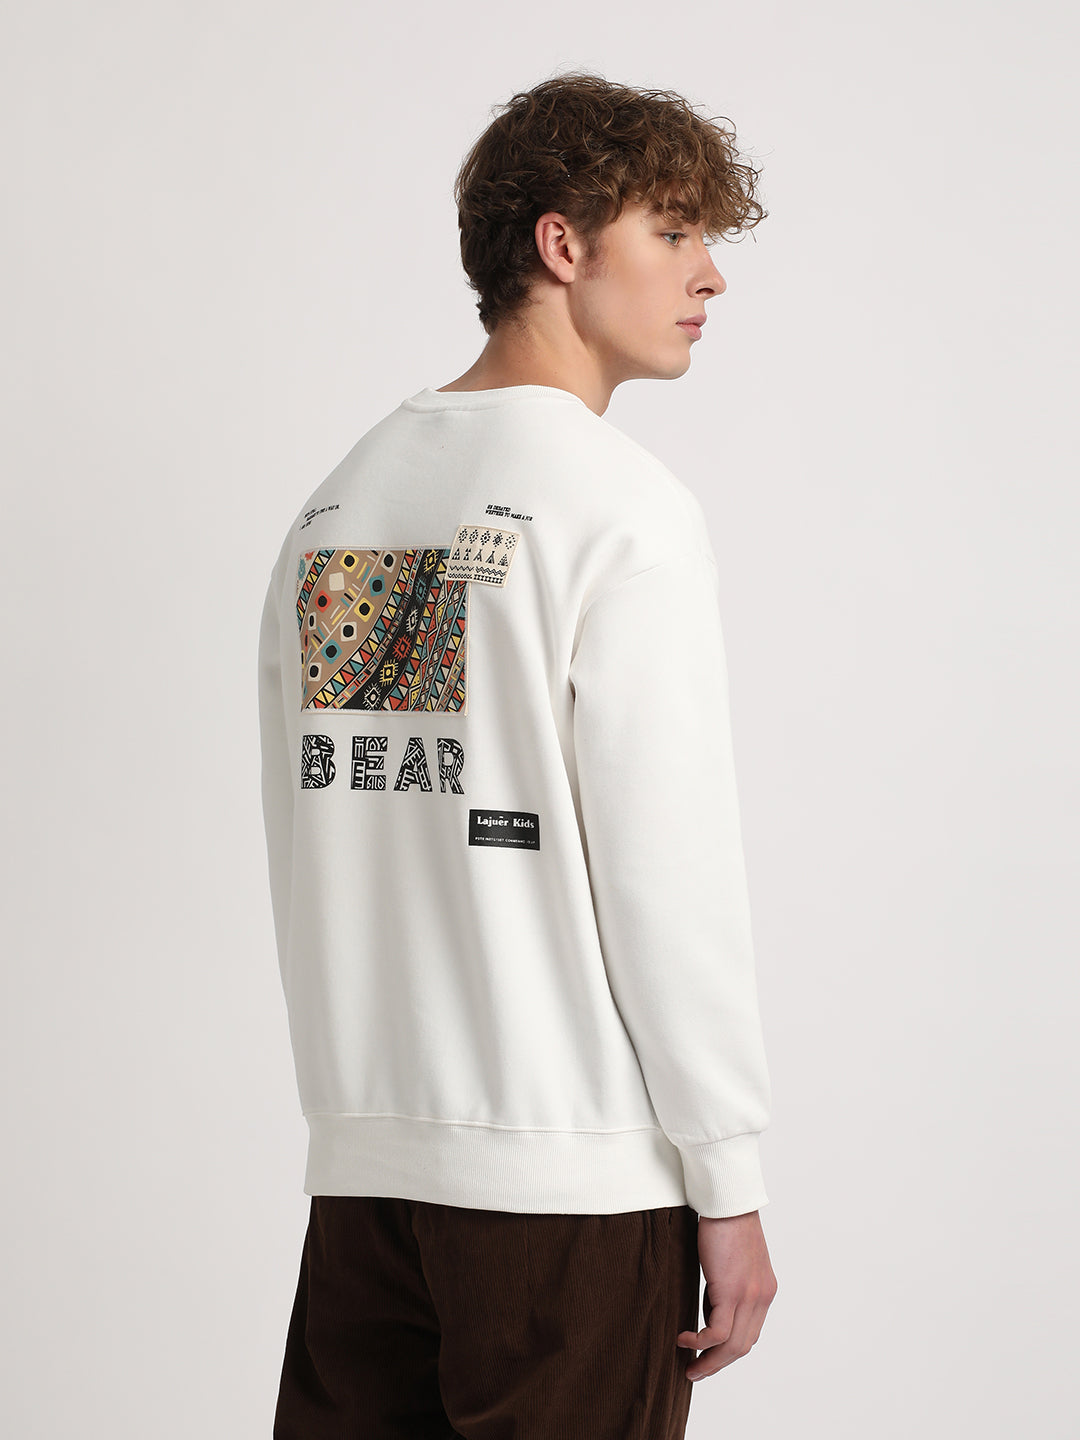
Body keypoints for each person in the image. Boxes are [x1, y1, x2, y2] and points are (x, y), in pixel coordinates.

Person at [259, 68, 778, 1440]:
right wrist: (729, 1181)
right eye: (674, 230)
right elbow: (665, 875)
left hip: (367, 1180)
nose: (711, 275)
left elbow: (325, 828)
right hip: (568, 1189)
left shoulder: (342, 503)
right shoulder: (621, 511)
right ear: (563, 245)